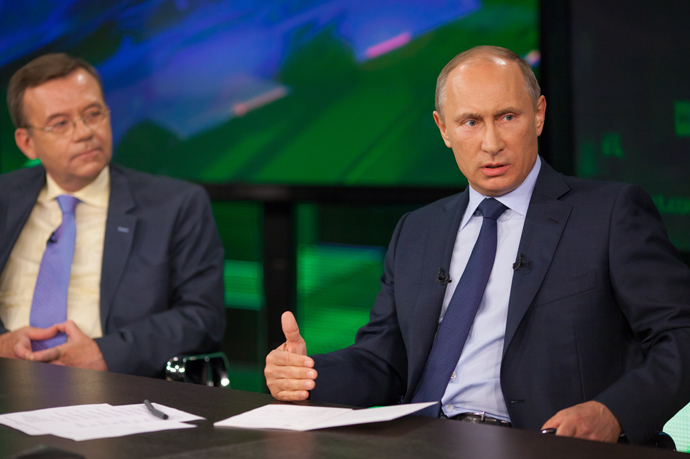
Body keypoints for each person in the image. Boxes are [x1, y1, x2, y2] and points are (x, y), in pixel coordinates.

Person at [264, 46, 690, 444]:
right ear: (443, 129)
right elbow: (384, 360)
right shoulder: (417, 229)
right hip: (420, 443)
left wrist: (611, 413)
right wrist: (308, 374)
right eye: (470, 122)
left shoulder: (610, 213)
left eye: (507, 117)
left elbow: (681, 335)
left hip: (541, 445)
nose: (491, 143)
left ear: (538, 115)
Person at [0, 53, 225, 377]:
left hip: (115, 394)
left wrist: (105, 354)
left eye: (93, 114)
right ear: (27, 143)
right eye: (61, 123)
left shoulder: (175, 205)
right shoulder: (6, 199)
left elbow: (203, 318)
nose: (84, 132)